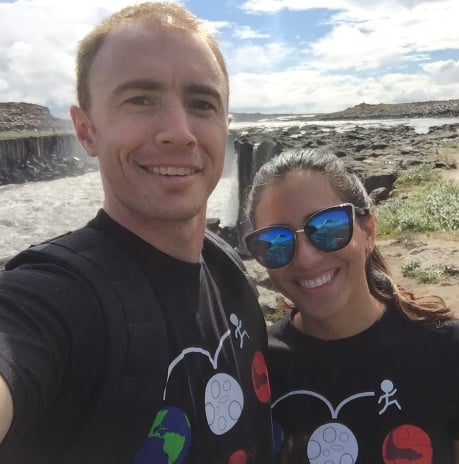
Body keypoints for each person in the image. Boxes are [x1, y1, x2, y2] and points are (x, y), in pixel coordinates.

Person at [0, 3, 273, 462]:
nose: (178, 132)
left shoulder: (230, 272)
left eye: (201, 103)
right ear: (87, 131)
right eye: (141, 99)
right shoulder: (56, 297)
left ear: (225, 128)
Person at [244, 148, 459, 464]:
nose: (305, 258)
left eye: (328, 227)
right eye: (276, 241)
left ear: (368, 232)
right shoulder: (257, 366)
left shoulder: (453, 351)